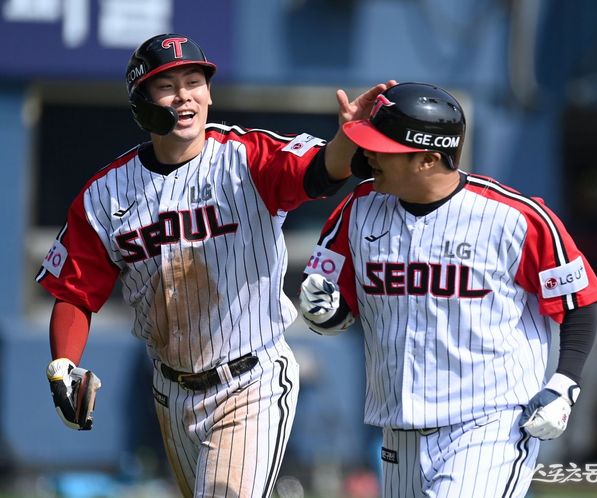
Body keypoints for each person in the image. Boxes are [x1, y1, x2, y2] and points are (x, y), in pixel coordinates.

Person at [35, 33, 394, 498]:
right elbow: (75, 292)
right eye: (167, 86)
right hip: (171, 390)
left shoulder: (245, 156)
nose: (185, 95)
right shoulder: (106, 194)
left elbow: (320, 171)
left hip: (251, 380)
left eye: (195, 82)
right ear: (141, 102)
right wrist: (65, 362)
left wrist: (347, 139)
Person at [299, 82, 597, 497]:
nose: (368, 155)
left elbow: (578, 303)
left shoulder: (514, 216)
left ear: (428, 158)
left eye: (383, 148)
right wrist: (323, 312)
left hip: (489, 424)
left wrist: (564, 382)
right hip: (399, 430)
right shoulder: (358, 208)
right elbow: (337, 312)